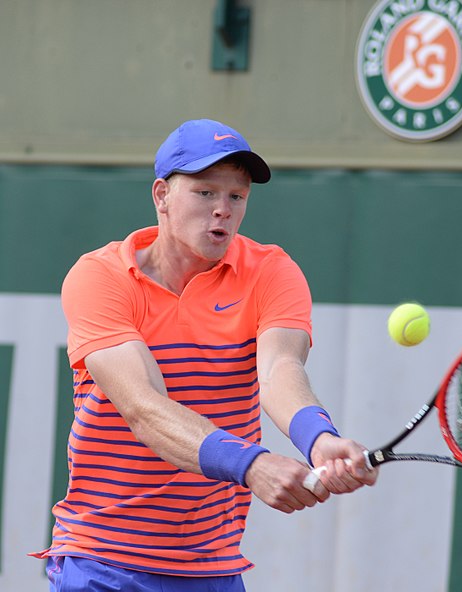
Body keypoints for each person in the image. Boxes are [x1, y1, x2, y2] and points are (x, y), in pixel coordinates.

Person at [33, 119, 378, 591]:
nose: (222, 211)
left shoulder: (272, 272)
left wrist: (318, 438)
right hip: (102, 560)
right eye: (204, 193)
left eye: (236, 197)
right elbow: (144, 407)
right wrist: (251, 464)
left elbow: (280, 369)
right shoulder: (101, 278)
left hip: (211, 565)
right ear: (162, 196)